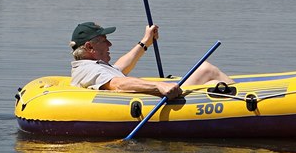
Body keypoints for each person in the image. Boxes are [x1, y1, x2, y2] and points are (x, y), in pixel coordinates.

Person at [69, 22, 233, 99]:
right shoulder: (89, 70)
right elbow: (118, 83)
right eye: (104, 40)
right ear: (90, 47)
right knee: (206, 70)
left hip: (163, 98)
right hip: (163, 101)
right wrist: (158, 85)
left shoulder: (91, 67)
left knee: (208, 82)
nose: (110, 43)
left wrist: (145, 42)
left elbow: (121, 67)